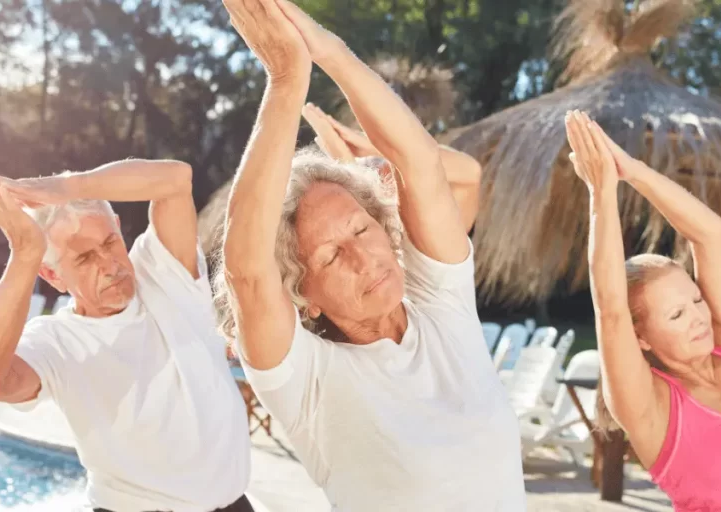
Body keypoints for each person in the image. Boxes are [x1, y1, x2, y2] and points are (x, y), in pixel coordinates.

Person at [213, 0, 525, 510]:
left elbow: (419, 163)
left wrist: (329, 51)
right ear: (303, 296)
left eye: (361, 228)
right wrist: (288, 81)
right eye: (332, 257)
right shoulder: (307, 380)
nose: (364, 258)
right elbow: (246, 271)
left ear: (384, 226)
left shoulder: (443, 308)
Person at [0, 161, 254, 512]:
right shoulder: (56, 341)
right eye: (84, 258)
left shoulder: (163, 273)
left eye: (110, 243)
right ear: (52, 274)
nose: (110, 265)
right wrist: (24, 254)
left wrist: (66, 187)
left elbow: (176, 179)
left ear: (118, 227)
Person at [566, 110, 721, 511]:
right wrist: (602, 192)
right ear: (641, 338)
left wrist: (634, 171)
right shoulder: (649, 407)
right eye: (676, 315)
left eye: (696, 301)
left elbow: (710, 235)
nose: (700, 317)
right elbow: (611, 307)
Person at [300, 102, 481, 231]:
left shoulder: (439, 231)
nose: (381, 170)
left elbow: (470, 173)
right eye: (373, 167)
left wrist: (374, 148)